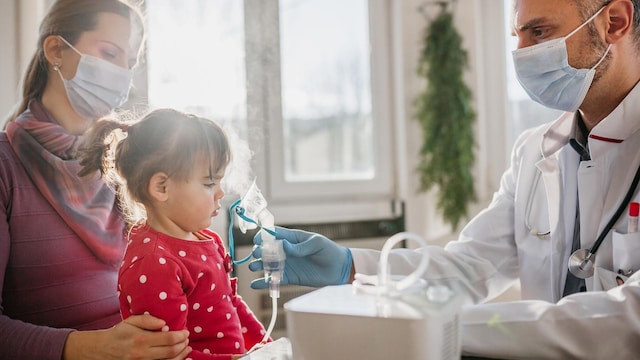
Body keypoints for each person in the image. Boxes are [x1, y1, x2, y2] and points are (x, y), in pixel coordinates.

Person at [249, 0, 640, 358]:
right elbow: (470, 267)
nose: (521, 54)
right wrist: (350, 265)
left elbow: (628, 321)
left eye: (539, 33)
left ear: (615, 22)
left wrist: (433, 327)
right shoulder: (534, 152)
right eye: (516, 36)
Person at [0, 1, 190, 359]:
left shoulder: (124, 166)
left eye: (129, 64)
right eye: (109, 53)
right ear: (56, 50)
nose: (121, 74)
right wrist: (92, 347)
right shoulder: (5, 167)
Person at [77, 108, 270, 360]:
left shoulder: (209, 240)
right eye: (209, 183)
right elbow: (169, 355)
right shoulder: (154, 263)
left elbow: (231, 304)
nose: (220, 193)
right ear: (162, 187)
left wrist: (267, 346)